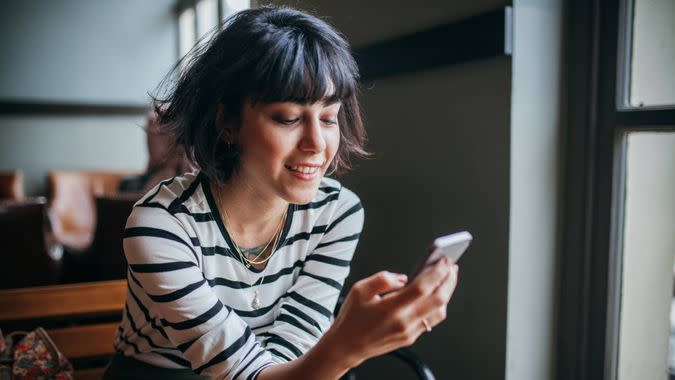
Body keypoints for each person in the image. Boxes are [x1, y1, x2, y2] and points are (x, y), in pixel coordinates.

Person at [103, 6, 459, 380]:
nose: (317, 144)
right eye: (288, 118)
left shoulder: (336, 212)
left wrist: (343, 346)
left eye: (328, 118)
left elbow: (290, 357)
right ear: (226, 122)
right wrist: (349, 346)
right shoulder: (161, 226)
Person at [118, 107, 197, 194]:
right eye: (148, 133)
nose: (150, 141)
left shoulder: (194, 173)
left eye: (158, 134)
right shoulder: (130, 185)